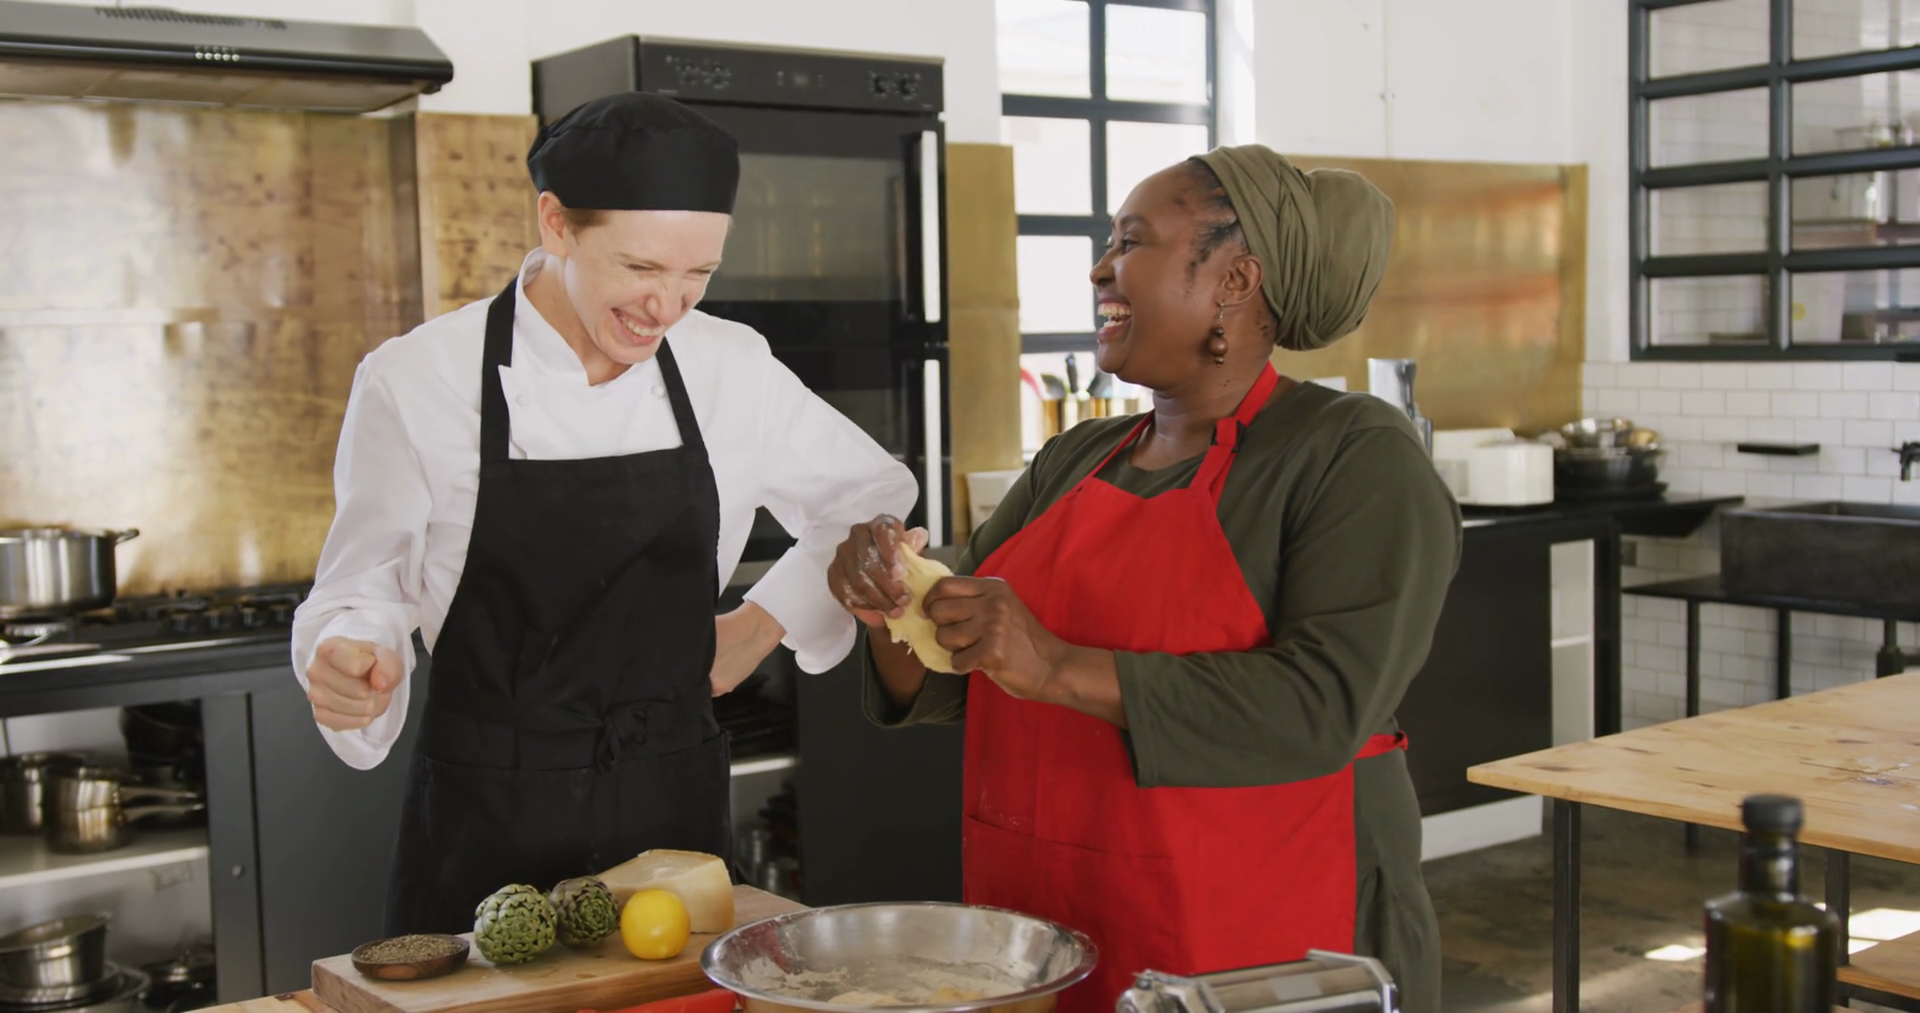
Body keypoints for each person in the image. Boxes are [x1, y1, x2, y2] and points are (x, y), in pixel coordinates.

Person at [828, 145, 1460, 1013]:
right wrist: (894, 609)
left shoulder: (1350, 455)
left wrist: (1054, 664)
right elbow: (956, 671)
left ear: (1235, 280)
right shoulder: (1076, 457)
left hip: (1255, 935)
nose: (1100, 269)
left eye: (1131, 242)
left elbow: (1323, 705)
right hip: (1043, 921)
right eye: (1107, 243)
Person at [292, 92, 917, 934]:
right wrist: (351, 654)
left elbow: (871, 497)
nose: (669, 306)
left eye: (698, 275)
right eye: (641, 268)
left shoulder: (730, 367)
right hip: (486, 821)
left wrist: (763, 620)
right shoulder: (417, 379)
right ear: (556, 224)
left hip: (673, 813)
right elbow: (363, 587)